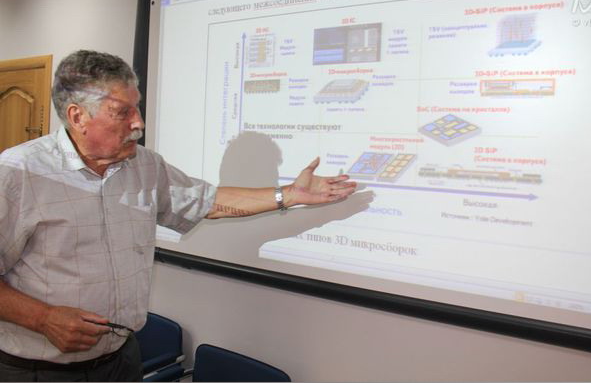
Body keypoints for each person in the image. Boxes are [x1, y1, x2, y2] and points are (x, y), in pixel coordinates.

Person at [0, 50, 356, 381]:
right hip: (39, 371)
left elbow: (207, 202)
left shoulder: (145, 165)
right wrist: (43, 318)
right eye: (122, 112)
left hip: (121, 361)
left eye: (137, 109)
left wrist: (289, 194)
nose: (138, 123)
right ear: (78, 116)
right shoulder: (18, 173)